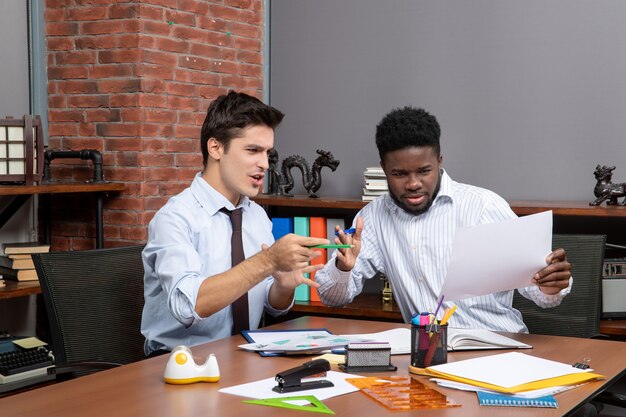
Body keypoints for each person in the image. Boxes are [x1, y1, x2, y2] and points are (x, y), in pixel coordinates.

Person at [315, 106, 572, 333]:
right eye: (399, 173)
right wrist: (343, 269)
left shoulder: (483, 206)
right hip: (428, 358)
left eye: (424, 171)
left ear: (439, 161)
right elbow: (330, 298)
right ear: (384, 169)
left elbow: (541, 295)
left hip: (497, 349)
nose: (413, 183)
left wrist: (551, 284)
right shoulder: (373, 219)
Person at [141, 91, 329, 357]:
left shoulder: (256, 216)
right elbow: (188, 305)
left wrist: (283, 286)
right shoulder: (174, 219)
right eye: (253, 150)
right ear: (216, 148)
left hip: (244, 358)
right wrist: (268, 261)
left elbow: (269, 303)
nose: (264, 164)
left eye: (268, 153)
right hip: (179, 364)